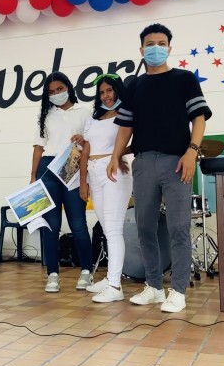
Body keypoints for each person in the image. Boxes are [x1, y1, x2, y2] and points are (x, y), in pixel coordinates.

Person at [107, 23, 211, 313]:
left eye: (161, 43)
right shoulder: (134, 85)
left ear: (169, 48)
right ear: (141, 50)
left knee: (178, 227)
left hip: (177, 162)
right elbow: (125, 126)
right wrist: (115, 156)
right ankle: (153, 286)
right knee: (144, 226)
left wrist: (192, 151)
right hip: (143, 163)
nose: (156, 48)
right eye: (150, 44)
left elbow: (199, 118)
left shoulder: (184, 79)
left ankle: (178, 290)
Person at [32, 72, 93, 292]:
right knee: (51, 225)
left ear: (68, 87)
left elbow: (92, 143)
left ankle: (87, 271)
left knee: (78, 224)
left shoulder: (84, 112)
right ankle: (52, 274)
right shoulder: (46, 116)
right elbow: (39, 147)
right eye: (51, 92)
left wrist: (83, 140)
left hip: (72, 167)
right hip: (48, 169)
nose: (56, 94)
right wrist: (33, 177)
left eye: (60, 89)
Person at [79, 73, 132, 303]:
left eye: (109, 90)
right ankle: (111, 277)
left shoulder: (126, 114)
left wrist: (117, 155)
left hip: (114, 172)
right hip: (94, 173)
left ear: (118, 90)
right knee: (105, 227)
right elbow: (87, 150)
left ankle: (114, 285)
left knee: (113, 230)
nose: (106, 96)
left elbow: (138, 142)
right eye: (101, 92)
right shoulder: (94, 119)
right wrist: (83, 181)